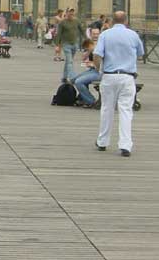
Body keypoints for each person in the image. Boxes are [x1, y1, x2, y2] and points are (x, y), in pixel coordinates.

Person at [93, 11, 144, 157]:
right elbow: (140, 54)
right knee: (126, 110)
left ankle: (102, 141)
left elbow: (97, 55)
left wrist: (99, 70)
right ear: (126, 20)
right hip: (127, 76)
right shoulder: (133, 35)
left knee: (107, 109)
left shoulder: (105, 35)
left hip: (109, 75)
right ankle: (125, 145)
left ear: (113, 21)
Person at [54, 9, 86, 83]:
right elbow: (59, 34)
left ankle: (64, 77)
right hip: (66, 44)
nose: (71, 14)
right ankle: (72, 77)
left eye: (72, 13)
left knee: (69, 61)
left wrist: (86, 39)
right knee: (70, 61)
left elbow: (82, 30)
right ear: (67, 13)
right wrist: (57, 45)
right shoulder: (62, 22)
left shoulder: (76, 21)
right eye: (70, 12)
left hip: (75, 44)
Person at [72, 38, 100, 107]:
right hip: (95, 70)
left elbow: (100, 66)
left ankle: (91, 101)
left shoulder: (97, 51)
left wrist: (92, 64)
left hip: (100, 72)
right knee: (75, 79)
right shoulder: (93, 50)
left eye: (87, 49)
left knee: (78, 81)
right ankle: (83, 98)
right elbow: (83, 58)